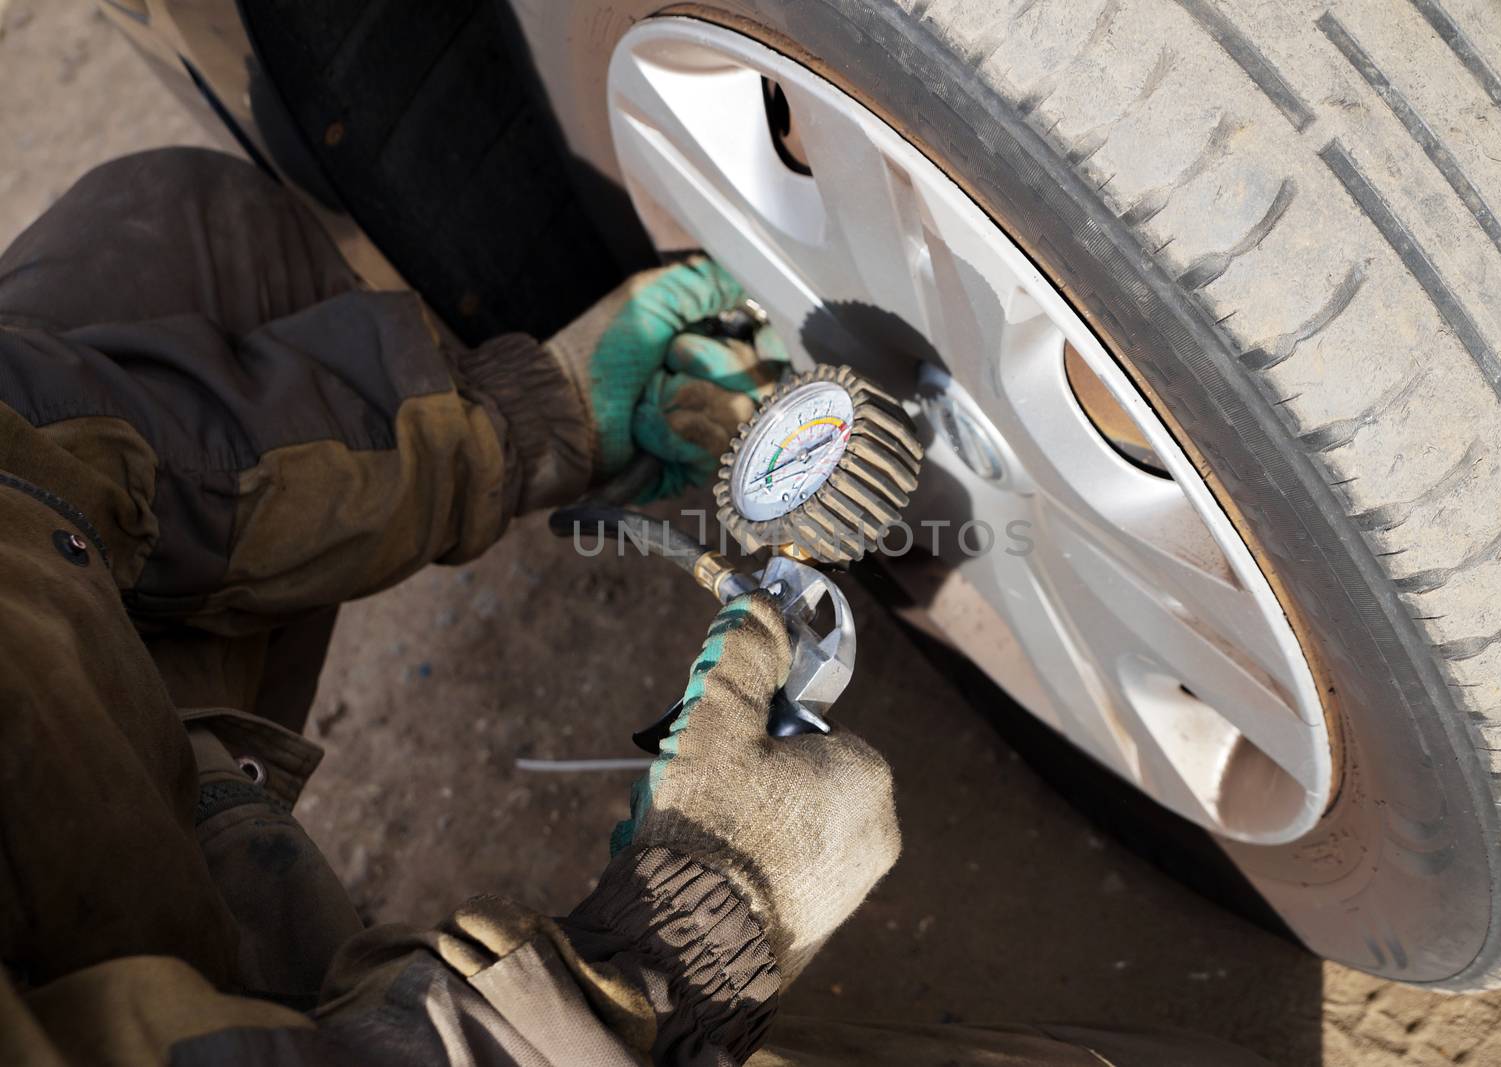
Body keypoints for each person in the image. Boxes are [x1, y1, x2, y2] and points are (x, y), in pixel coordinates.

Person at [0, 149, 1269, 1066]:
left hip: (76, 781)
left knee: (176, 232)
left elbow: (32, 449)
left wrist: (524, 421)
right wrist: (673, 940)